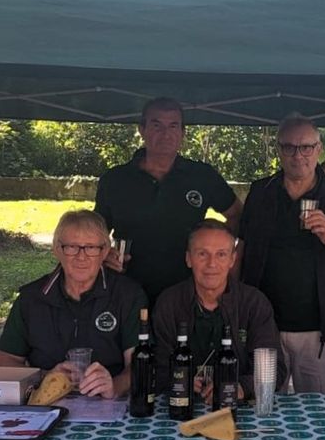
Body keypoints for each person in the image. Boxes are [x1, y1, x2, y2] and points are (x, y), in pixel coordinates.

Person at [240, 113, 325, 393]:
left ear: (319, 149)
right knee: (263, 402)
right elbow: (242, 249)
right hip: (266, 325)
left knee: (317, 410)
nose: (298, 155)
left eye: (306, 147)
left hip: (319, 330)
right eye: (289, 147)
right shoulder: (260, 193)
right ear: (279, 150)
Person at [95, 97, 242, 306]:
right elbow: (94, 233)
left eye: (173, 126)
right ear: (142, 129)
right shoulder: (115, 180)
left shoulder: (202, 176)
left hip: (187, 293)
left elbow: (237, 215)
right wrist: (104, 253)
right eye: (157, 125)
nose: (166, 134)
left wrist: (219, 252)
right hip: (127, 290)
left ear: (183, 132)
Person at [0, 210, 146, 399]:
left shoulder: (128, 295)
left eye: (91, 247)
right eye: (72, 247)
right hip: (47, 401)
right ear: (57, 249)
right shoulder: (31, 299)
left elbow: (140, 363)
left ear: (105, 251)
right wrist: (46, 376)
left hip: (109, 404)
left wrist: (115, 386)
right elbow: (4, 362)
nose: (81, 257)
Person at [152, 219, 286, 400]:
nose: (212, 264)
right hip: (181, 405)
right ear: (188, 259)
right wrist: (178, 380)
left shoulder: (254, 303)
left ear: (232, 259)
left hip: (237, 406)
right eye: (202, 254)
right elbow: (155, 368)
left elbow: (275, 369)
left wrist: (239, 387)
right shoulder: (168, 304)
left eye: (221, 254)